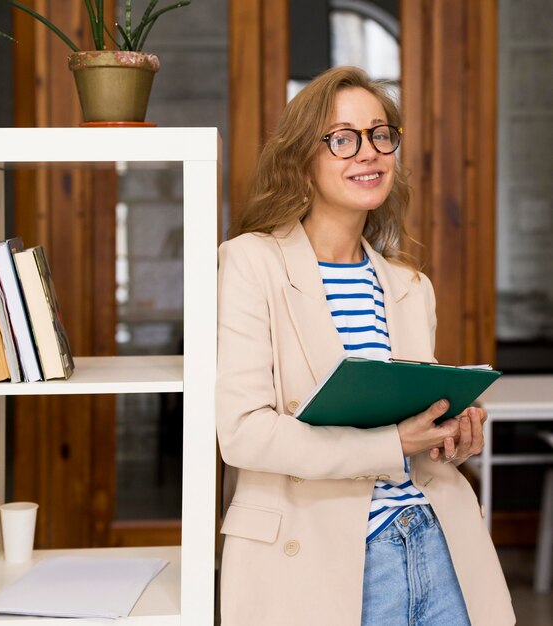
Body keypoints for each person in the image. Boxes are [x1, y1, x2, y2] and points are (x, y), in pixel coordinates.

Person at [215, 66, 515, 626]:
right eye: (343, 138)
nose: (369, 153)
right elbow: (244, 434)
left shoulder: (410, 285)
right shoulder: (250, 262)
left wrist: (447, 435)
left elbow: (407, 428)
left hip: (436, 539)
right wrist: (394, 441)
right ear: (302, 157)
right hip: (321, 559)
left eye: (381, 135)